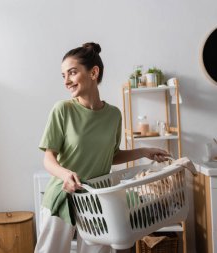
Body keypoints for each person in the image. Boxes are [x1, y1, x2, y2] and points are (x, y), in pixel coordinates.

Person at [34, 42, 170, 253]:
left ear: (93, 72)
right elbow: (48, 158)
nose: (67, 81)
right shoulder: (63, 110)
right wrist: (66, 174)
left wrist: (144, 152)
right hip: (63, 195)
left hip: (96, 199)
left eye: (72, 73)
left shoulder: (114, 114)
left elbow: (111, 156)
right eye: (63, 75)